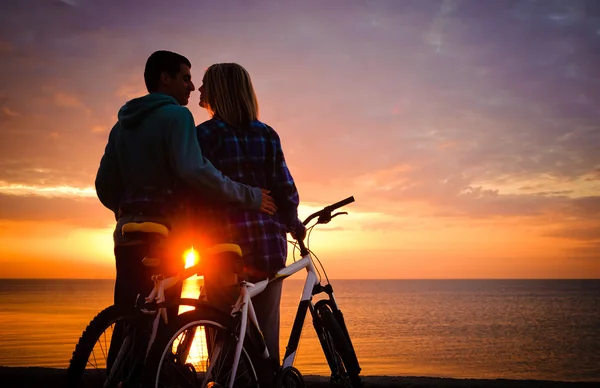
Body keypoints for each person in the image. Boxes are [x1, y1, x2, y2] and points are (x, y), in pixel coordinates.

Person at [94, 51, 277, 371]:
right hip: (167, 232)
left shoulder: (121, 124)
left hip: (128, 231)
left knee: (128, 318)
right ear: (165, 78)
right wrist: (248, 196)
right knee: (165, 323)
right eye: (185, 78)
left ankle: (117, 376)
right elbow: (194, 171)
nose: (192, 87)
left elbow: (104, 184)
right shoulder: (177, 117)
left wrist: (123, 212)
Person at [194, 62, 305, 381]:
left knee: (221, 331)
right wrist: (293, 224)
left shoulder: (203, 135)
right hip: (267, 247)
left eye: (205, 84)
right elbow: (286, 191)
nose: (199, 91)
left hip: (223, 248)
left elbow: (197, 190)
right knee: (265, 338)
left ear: (219, 90)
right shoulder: (267, 135)